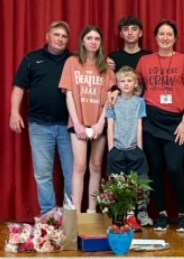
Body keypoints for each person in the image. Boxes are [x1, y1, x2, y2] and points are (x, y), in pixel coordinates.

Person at [136, 20, 184, 232]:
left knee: (174, 167)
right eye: (161, 33)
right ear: (155, 37)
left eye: (169, 34)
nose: (165, 37)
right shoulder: (144, 61)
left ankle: (182, 214)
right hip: (151, 119)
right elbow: (137, 88)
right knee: (156, 170)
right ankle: (161, 213)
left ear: (175, 38)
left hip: (176, 121)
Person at [9, 21, 73, 215]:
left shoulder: (74, 60)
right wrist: (14, 112)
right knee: (43, 174)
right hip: (39, 125)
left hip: (68, 126)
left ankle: (70, 215)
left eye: (64, 36)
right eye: (57, 35)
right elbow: (19, 87)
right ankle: (48, 215)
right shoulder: (32, 58)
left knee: (71, 174)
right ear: (47, 36)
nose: (60, 39)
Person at [59, 25, 116, 213]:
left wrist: (101, 123)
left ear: (101, 43)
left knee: (97, 165)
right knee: (80, 165)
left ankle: (92, 210)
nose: (93, 42)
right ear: (82, 41)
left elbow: (110, 96)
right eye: (89, 38)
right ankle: (76, 212)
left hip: (99, 122)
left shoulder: (105, 67)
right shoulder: (72, 62)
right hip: (78, 121)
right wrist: (76, 123)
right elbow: (68, 95)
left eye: (97, 39)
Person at [106, 66, 151, 232]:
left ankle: (133, 214)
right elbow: (110, 125)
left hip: (133, 148)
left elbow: (139, 125)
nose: (126, 84)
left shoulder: (139, 102)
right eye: (122, 81)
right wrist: (111, 148)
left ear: (135, 83)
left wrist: (139, 148)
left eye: (129, 81)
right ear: (117, 84)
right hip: (117, 148)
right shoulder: (112, 101)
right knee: (118, 183)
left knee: (135, 183)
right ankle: (121, 215)